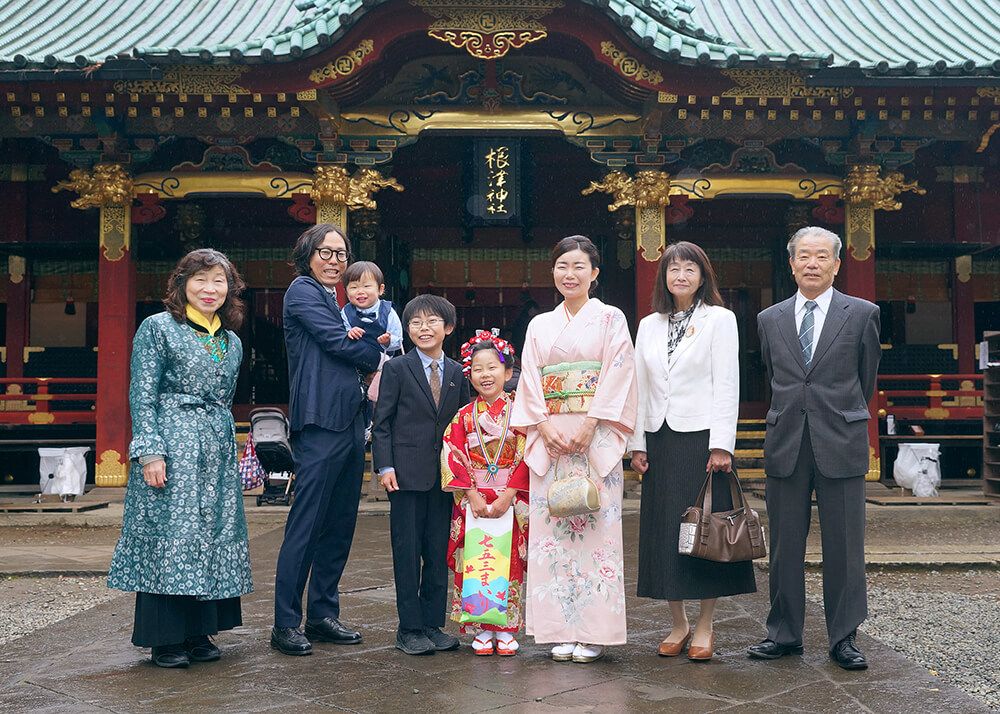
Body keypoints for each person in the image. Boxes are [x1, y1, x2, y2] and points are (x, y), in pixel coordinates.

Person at [107, 249, 252, 669]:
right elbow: (142, 392)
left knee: (211, 532)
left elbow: (224, 400)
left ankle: (199, 631)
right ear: (182, 283)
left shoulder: (231, 340)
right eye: (201, 280)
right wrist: (150, 450)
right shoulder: (158, 328)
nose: (210, 289)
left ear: (230, 289)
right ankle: (165, 639)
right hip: (172, 444)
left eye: (219, 281)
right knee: (171, 534)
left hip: (215, 449)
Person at [748, 226, 880, 671]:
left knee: (844, 545)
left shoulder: (861, 314)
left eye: (822, 257)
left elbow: (867, 378)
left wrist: (838, 412)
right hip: (787, 440)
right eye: (803, 256)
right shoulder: (770, 318)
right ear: (791, 263)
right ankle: (784, 634)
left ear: (837, 264)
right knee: (785, 545)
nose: (812, 264)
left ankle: (844, 637)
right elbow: (775, 378)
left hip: (840, 438)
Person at [510, 235, 637, 664]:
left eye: (579, 266)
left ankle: (594, 631)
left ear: (595, 273)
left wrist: (589, 424)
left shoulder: (611, 318)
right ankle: (558, 629)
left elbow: (620, 371)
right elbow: (529, 378)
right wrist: (542, 426)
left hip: (595, 433)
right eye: (562, 265)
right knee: (553, 536)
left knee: (597, 534)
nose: (570, 273)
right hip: (551, 437)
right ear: (553, 273)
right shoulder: (540, 325)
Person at [629, 241, 755, 662]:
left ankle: (705, 624)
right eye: (672, 269)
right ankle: (677, 623)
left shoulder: (720, 320)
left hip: (701, 438)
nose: (680, 276)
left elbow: (727, 382)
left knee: (703, 529)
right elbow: (640, 387)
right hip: (660, 439)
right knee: (668, 530)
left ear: (703, 276)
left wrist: (722, 444)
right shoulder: (648, 324)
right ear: (663, 277)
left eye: (689, 269)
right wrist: (637, 443)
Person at [271, 224, 382, 657]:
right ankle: (284, 623)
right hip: (318, 423)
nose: (335, 260)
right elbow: (337, 344)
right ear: (307, 255)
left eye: (341, 253)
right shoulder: (301, 291)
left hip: (350, 422)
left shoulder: (336, 301)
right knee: (306, 525)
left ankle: (321, 614)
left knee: (338, 526)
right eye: (326, 252)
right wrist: (381, 358)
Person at [372, 294, 471, 655]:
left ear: (447, 328)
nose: (423, 328)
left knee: (437, 551)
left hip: (444, 478)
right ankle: (409, 628)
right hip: (405, 477)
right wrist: (385, 467)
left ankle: (432, 624)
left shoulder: (459, 372)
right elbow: (381, 424)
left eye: (431, 322)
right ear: (407, 329)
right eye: (415, 322)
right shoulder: (397, 369)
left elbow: (462, 425)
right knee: (407, 551)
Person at [442, 331, 529, 656]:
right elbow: (450, 452)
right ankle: (480, 627)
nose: (485, 375)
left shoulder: (521, 413)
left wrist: (509, 494)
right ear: (470, 374)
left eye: (492, 367)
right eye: (478, 369)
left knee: (508, 563)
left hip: (511, 496)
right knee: (477, 559)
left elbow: (528, 453)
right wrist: (472, 495)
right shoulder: (464, 416)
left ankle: (505, 627)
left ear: (508, 373)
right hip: (475, 498)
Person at [342, 260, 403, 356]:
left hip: (384, 362)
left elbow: (399, 341)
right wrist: (349, 332)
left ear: (380, 289)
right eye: (354, 287)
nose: (360, 291)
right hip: (354, 361)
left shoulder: (388, 312)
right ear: (346, 292)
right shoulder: (346, 312)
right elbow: (340, 336)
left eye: (367, 286)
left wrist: (388, 341)